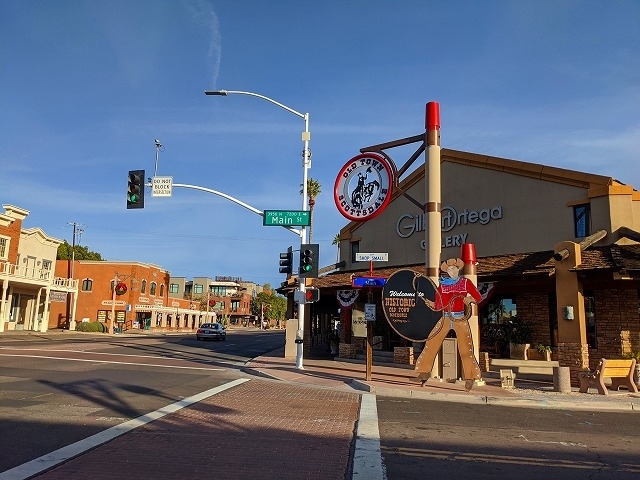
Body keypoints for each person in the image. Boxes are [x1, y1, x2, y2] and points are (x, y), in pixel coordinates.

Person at [414, 257, 483, 385]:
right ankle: (424, 372)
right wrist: (433, 304)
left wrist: (470, 299)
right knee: (431, 342)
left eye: (453, 269)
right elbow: (439, 305)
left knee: (466, 346)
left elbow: (478, 297)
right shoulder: (443, 285)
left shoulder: (465, 282)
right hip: (445, 316)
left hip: (459, 317)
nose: (451, 272)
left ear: (458, 269)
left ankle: (470, 377)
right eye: (449, 270)